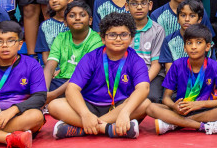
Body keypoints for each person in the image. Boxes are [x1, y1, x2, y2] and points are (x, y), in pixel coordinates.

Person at [50, 11, 151, 139]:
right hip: (89, 105)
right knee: (54, 106)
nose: (118, 39)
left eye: (124, 35)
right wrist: (85, 114)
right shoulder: (90, 58)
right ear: (103, 38)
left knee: (145, 103)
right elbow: (72, 89)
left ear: (131, 38)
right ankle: (109, 128)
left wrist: (125, 113)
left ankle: (85, 129)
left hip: (119, 107)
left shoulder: (136, 60)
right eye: (112, 35)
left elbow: (144, 88)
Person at [148, 22, 217, 134]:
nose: (193, 47)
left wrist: (198, 104)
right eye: (189, 43)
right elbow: (166, 98)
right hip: (180, 109)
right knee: (150, 107)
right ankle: (203, 126)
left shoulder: (215, 66)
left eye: (199, 42)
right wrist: (174, 105)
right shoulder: (177, 65)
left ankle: (174, 124)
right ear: (184, 47)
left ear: (208, 46)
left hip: (203, 109)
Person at [44, 0, 102, 100]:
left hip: (84, 83)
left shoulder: (96, 41)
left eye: (82, 15)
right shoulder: (61, 37)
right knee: (33, 84)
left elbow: (83, 74)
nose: (77, 18)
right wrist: (43, 92)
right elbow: (50, 67)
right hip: (61, 81)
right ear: (65, 22)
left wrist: (53, 94)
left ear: (90, 20)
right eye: (72, 15)